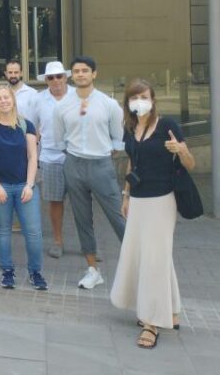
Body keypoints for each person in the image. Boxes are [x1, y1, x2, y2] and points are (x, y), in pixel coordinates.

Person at [110, 79, 192, 349]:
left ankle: (151, 322)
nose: (139, 102)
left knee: (154, 258)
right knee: (154, 256)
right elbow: (132, 163)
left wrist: (180, 150)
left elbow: (190, 163)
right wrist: (126, 195)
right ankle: (172, 310)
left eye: (143, 97)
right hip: (138, 200)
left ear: (153, 99)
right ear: (128, 103)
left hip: (162, 200)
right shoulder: (130, 127)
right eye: (134, 98)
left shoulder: (168, 125)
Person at [52, 56, 126, 289]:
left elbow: (118, 138)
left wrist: (104, 152)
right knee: (82, 218)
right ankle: (92, 269)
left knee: (119, 216)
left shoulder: (108, 104)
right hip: (73, 165)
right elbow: (59, 139)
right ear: (71, 75)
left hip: (101, 165)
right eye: (76, 71)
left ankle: (138, 264)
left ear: (94, 74)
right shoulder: (62, 106)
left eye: (85, 70)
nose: (81, 74)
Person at [0, 85, 47, 291]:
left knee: (33, 231)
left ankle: (35, 272)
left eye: (6, 97)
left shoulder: (27, 125)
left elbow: (32, 156)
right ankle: (7, 270)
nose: (3, 101)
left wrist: (30, 185)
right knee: (2, 229)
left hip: (24, 185)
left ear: (13, 100)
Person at [30, 61, 75, 258]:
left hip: (77, 156)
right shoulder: (38, 100)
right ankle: (58, 240)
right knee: (55, 201)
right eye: (51, 77)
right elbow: (32, 128)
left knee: (83, 202)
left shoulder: (78, 95)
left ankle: (89, 244)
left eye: (59, 76)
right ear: (46, 80)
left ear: (66, 77)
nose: (55, 80)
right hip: (49, 156)